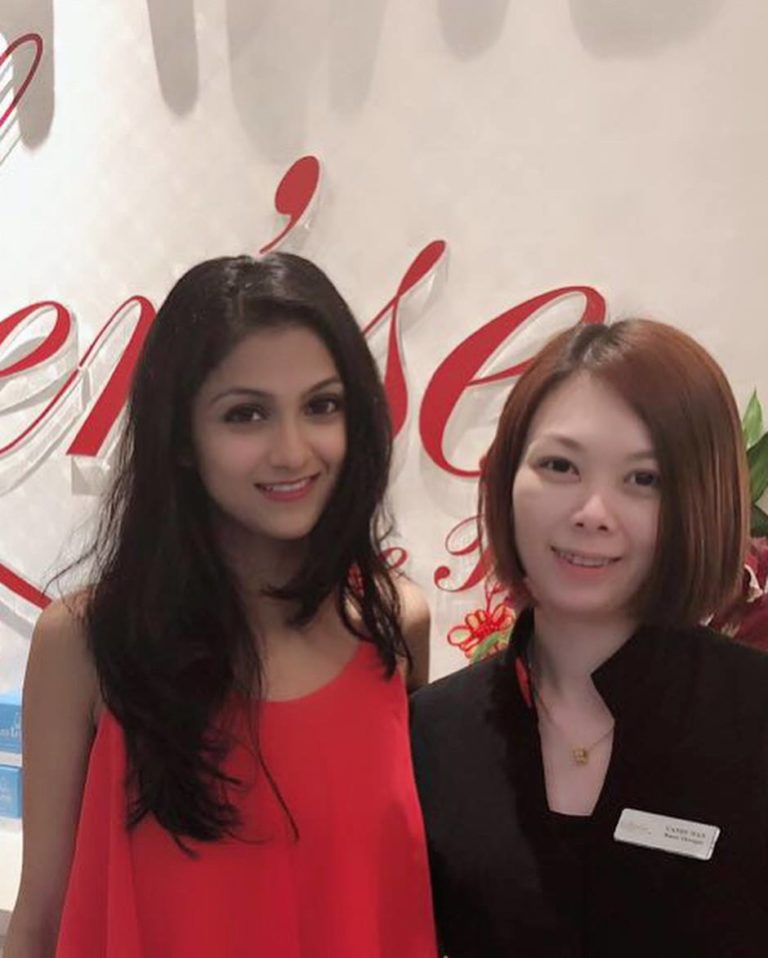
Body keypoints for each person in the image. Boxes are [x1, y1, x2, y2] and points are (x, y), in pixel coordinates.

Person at [6, 254, 437, 958]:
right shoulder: (87, 643)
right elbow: (40, 919)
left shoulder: (394, 627)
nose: (292, 451)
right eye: (246, 415)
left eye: (321, 406)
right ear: (180, 438)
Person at [410, 319, 768, 957]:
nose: (592, 513)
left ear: (700, 499)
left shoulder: (753, 713)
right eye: (560, 466)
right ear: (506, 478)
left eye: (643, 479)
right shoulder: (432, 731)